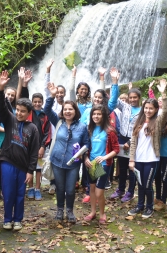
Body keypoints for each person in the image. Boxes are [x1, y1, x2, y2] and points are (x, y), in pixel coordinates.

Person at [0, 70, 39, 231]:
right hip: (7, 162)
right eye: (18, 110)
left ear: (28, 113)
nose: (19, 113)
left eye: (23, 111)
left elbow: (34, 152)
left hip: (23, 167)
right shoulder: (10, 120)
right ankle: (7, 219)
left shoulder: (33, 128)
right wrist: (0, 88)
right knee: (8, 193)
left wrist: (30, 171)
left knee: (20, 195)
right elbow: (0, 106)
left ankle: (18, 219)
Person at [45, 82, 89, 223]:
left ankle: (69, 210)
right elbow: (46, 109)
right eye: (65, 109)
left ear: (75, 111)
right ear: (62, 111)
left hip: (74, 163)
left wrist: (82, 153)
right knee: (60, 188)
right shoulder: (58, 122)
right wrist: (51, 96)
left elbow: (87, 144)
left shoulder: (82, 127)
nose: (68, 112)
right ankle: (59, 210)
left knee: (70, 190)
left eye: (70, 109)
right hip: (57, 160)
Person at [127, 79, 167, 219]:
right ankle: (139, 205)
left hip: (151, 159)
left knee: (147, 184)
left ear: (156, 109)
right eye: (146, 108)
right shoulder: (138, 122)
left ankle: (149, 207)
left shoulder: (158, 122)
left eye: (151, 108)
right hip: (138, 159)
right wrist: (131, 159)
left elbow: (166, 111)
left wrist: (163, 94)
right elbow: (133, 143)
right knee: (140, 183)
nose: (148, 110)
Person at [16, 68, 51, 201]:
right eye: (35, 102)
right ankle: (30, 188)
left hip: (40, 146)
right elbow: (23, 98)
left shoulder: (44, 115)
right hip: (27, 144)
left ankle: (37, 188)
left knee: (38, 168)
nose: (37, 104)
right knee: (29, 165)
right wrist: (25, 83)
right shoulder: (27, 113)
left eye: (39, 102)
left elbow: (47, 132)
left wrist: (43, 146)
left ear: (42, 103)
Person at [83, 105, 119, 223]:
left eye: (99, 114)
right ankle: (93, 212)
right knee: (92, 189)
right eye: (94, 114)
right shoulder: (89, 130)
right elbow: (85, 147)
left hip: (103, 164)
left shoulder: (109, 131)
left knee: (99, 192)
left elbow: (116, 149)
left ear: (104, 116)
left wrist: (104, 157)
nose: (96, 116)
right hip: (91, 163)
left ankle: (102, 214)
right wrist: (86, 158)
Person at [110, 85, 141, 203]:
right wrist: (115, 82)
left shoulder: (143, 111)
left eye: (135, 97)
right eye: (131, 97)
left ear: (139, 98)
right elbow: (114, 99)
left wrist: (130, 141)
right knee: (122, 167)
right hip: (122, 139)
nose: (133, 99)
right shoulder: (125, 107)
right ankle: (120, 189)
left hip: (134, 140)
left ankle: (130, 192)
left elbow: (140, 128)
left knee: (132, 167)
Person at [43, 59, 67, 195]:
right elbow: (47, 93)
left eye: (61, 92)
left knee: (63, 160)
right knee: (53, 160)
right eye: (57, 92)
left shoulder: (68, 105)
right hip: (53, 137)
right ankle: (53, 184)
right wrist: (47, 70)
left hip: (64, 138)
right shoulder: (52, 105)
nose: (59, 94)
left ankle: (62, 185)